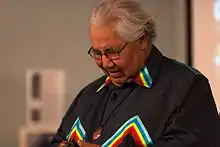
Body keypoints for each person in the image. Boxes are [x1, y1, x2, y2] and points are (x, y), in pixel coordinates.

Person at [50, 0, 220, 146]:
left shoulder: (187, 87)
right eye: (97, 53)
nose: (105, 63)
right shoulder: (89, 95)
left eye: (113, 52)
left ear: (142, 39)